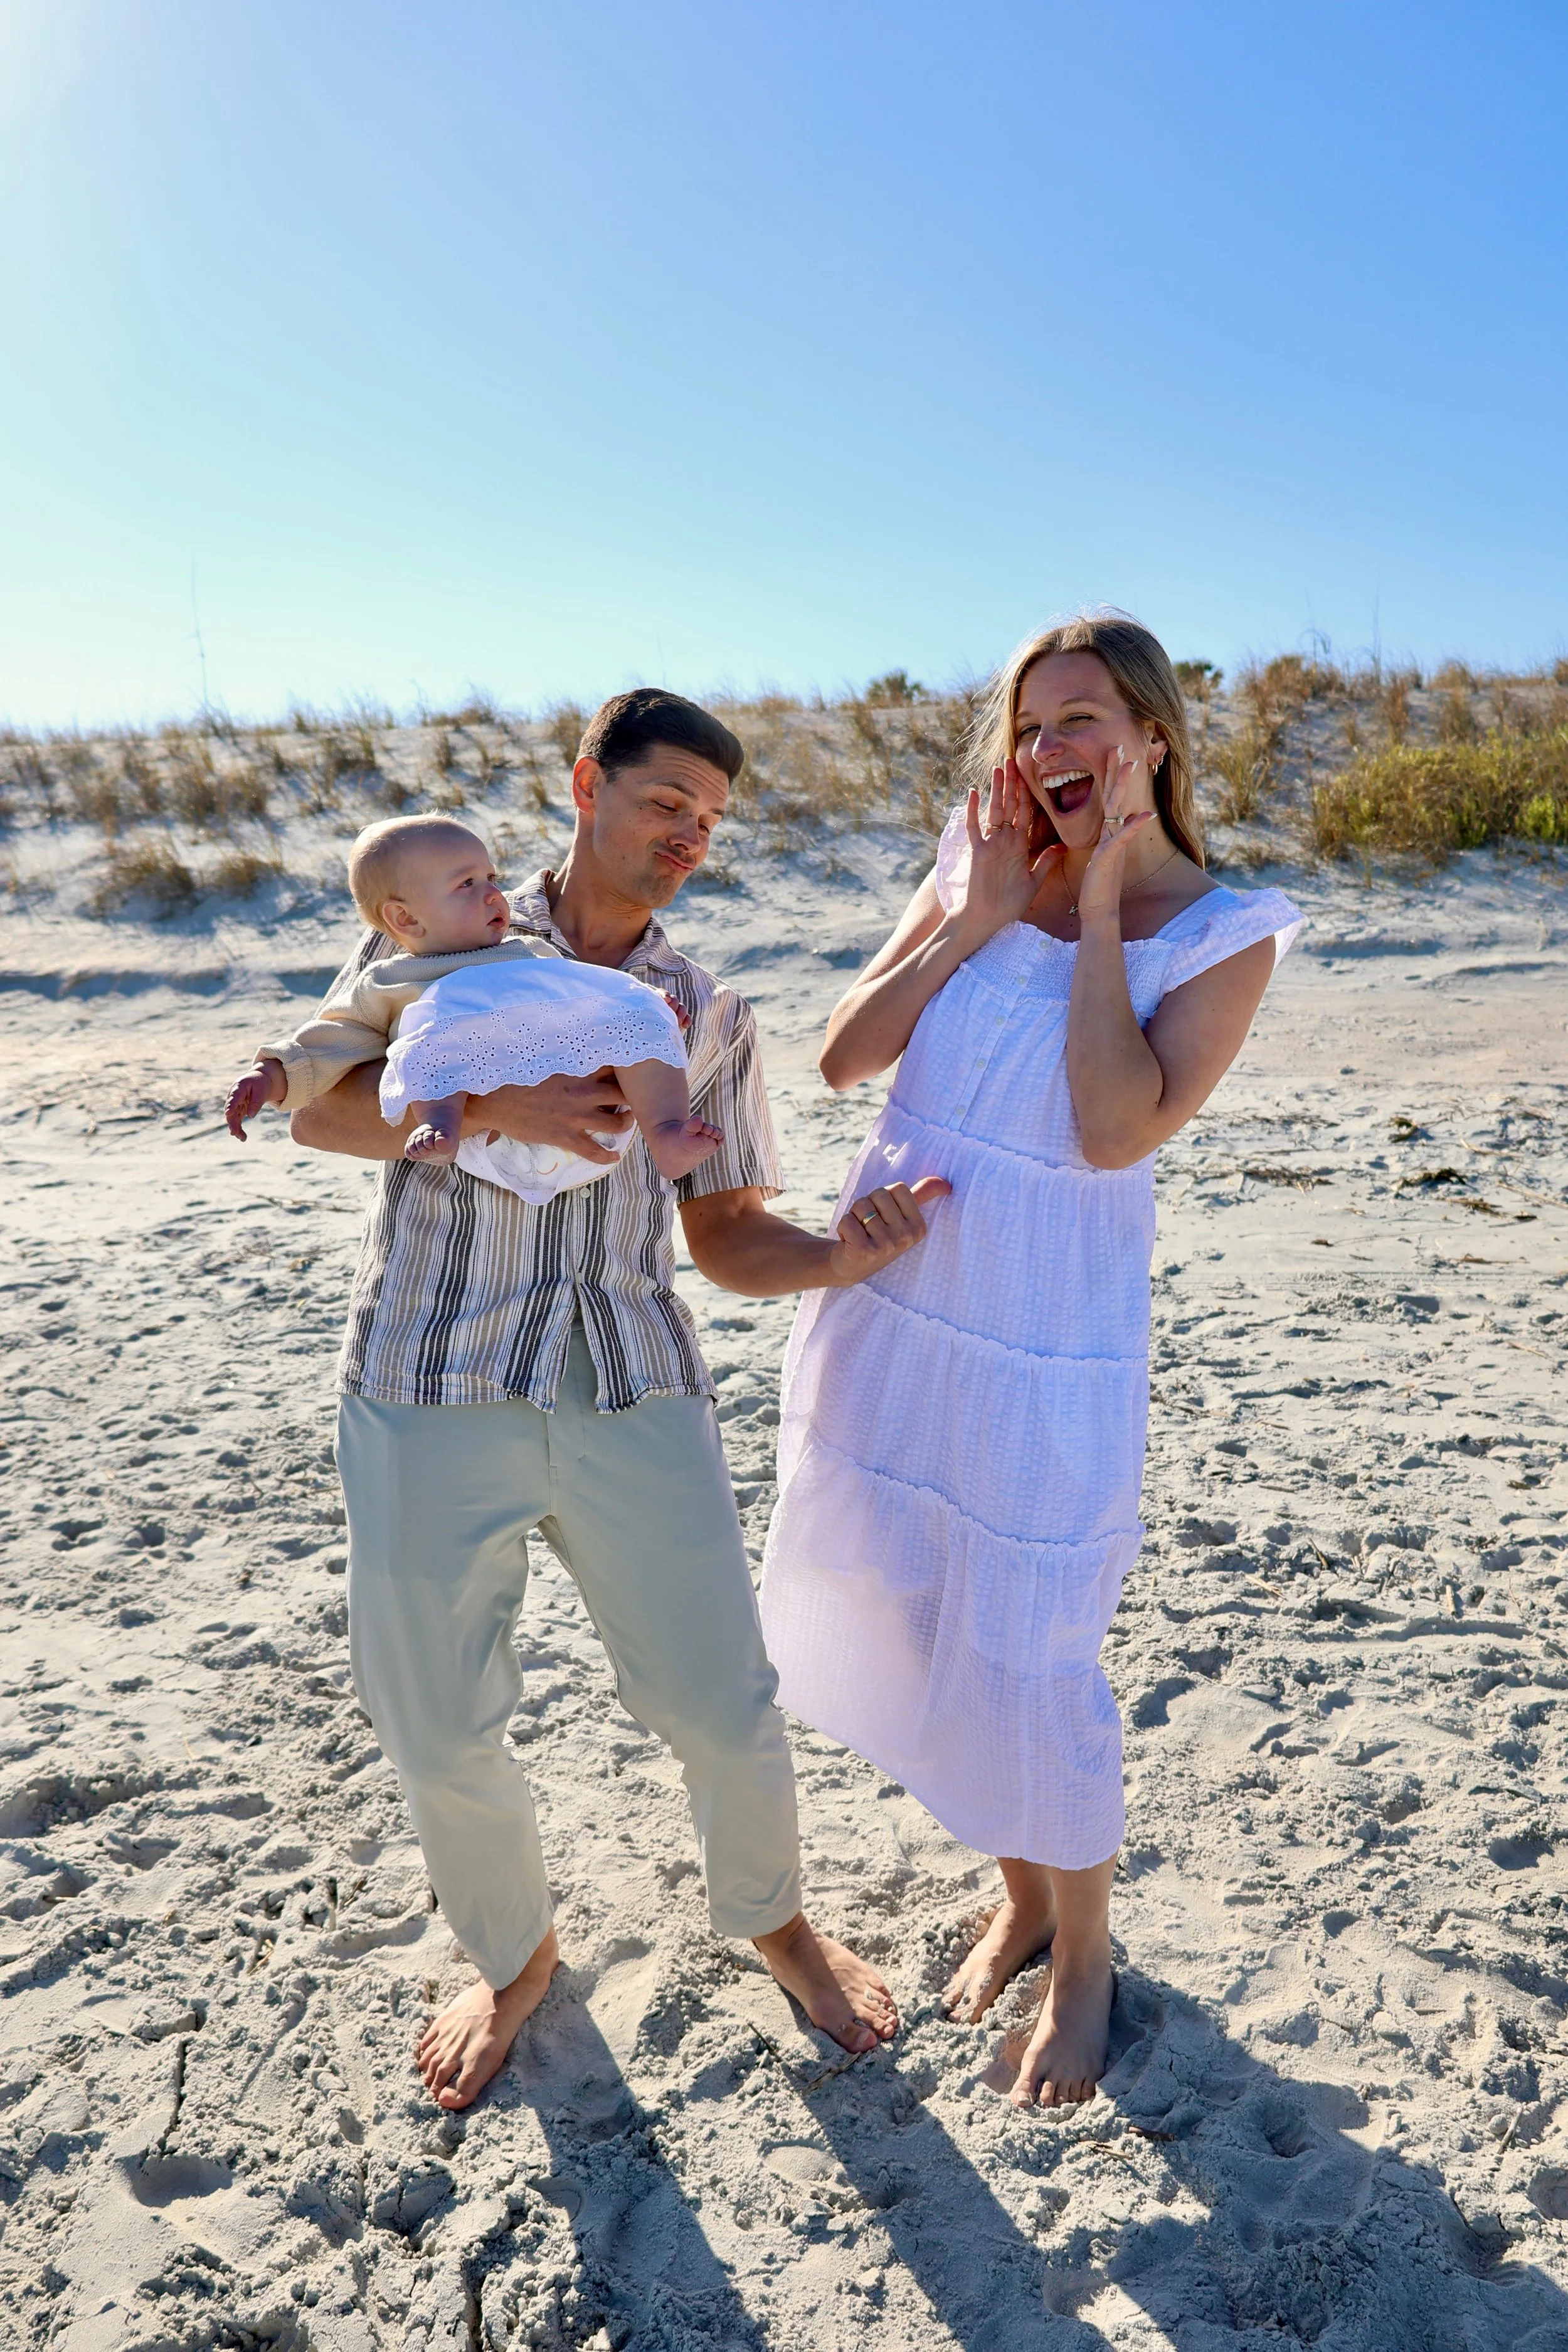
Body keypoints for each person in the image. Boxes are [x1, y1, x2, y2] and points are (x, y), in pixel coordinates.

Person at [288, 687, 948, 2111]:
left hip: (632, 1380)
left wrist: (838, 1257)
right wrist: (494, 1111)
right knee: (435, 1721)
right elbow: (320, 1107)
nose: (689, 836)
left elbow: (726, 1234)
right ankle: (514, 1958)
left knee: (723, 1699)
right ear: (587, 785)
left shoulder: (708, 1011)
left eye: (710, 819)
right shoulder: (442, 932)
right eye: (665, 803)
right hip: (426, 1376)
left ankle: (777, 1923)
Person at [759, 613, 1303, 2108]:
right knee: (918, 1609)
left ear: (1152, 738)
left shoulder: (1222, 927)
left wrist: (1103, 900)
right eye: (1029, 724)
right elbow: (844, 1058)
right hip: (896, 1301)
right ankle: (1021, 1892)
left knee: (1036, 1648)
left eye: (1080, 721)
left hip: (1045, 1337)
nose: (1048, 751)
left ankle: (1084, 1959)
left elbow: (1114, 1128)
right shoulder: (979, 856)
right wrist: (976, 913)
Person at [225, 812, 722, 1197]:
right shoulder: (392, 981)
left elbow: (588, 991)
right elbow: (331, 1042)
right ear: (405, 919)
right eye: (467, 884)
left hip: (590, 1133)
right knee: (431, 1036)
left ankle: (666, 1133)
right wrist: (269, 1075)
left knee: (641, 1031)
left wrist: (644, 1003)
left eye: (491, 878)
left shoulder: (529, 952)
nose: (493, 894)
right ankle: (440, 1123)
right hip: (485, 1146)